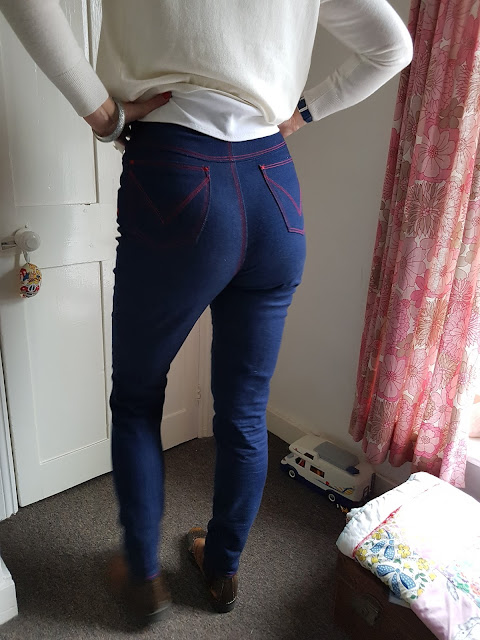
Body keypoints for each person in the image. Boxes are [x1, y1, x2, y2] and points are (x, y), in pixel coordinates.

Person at [0, 0, 413, 625]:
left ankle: (143, 578)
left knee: (137, 398)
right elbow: (393, 47)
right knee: (245, 409)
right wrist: (303, 112)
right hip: (274, 184)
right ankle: (222, 569)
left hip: (175, 169)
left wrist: (104, 114)